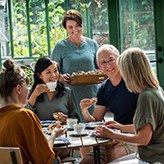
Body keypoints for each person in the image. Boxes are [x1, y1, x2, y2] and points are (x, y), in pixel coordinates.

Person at [96, 47, 164, 163]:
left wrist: (113, 135)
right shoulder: (155, 90)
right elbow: (149, 128)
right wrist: (120, 127)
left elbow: (143, 139)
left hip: (151, 159)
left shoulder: (146, 97)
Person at [80, 44, 138, 163]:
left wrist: (120, 136)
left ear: (119, 59)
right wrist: (84, 111)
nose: (108, 65)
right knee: (87, 161)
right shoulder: (104, 87)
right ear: (99, 66)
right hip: (113, 137)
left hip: (135, 137)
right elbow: (95, 120)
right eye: (103, 62)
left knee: (105, 159)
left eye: (111, 60)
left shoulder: (133, 83)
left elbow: (148, 126)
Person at [0, 59, 65, 164]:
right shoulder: (24, 115)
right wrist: (53, 135)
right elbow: (45, 160)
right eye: (27, 86)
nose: (29, 90)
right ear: (19, 89)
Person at [52, 9, 99, 122]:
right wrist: (61, 77)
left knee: (93, 126)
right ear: (66, 28)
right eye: (70, 27)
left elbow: (99, 68)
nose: (74, 30)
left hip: (90, 94)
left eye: (77, 26)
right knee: (73, 128)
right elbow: (53, 71)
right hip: (70, 95)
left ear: (82, 25)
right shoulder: (60, 46)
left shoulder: (92, 44)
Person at [26, 56, 79, 122]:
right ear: (39, 75)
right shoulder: (32, 92)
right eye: (48, 72)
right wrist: (34, 95)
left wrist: (66, 119)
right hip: (39, 131)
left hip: (62, 130)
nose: (54, 75)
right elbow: (25, 117)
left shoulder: (66, 92)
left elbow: (76, 118)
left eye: (55, 71)